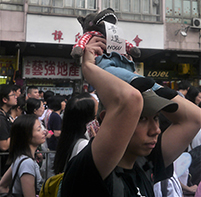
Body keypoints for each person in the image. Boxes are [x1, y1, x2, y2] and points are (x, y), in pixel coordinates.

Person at [60, 36, 201, 197]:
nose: (156, 130)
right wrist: (89, 67)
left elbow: (194, 118)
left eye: (156, 118)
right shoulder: (90, 170)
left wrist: (135, 78)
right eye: (142, 118)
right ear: (105, 118)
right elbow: (131, 100)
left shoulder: (146, 163)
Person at [0, 114, 45, 197]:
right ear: (27, 136)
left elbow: (2, 185)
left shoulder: (20, 158)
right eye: (39, 130)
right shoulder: (27, 163)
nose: (44, 131)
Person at [54, 93, 97, 174]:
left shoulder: (67, 139)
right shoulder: (83, 145)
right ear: (87, 119)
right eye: (94, 116)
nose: (96, 121)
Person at [0, 84, 17, 176]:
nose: (16, 97)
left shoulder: (6, 115)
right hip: (3, 163)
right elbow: (3, 146)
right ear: (4, 100)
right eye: (13, 95)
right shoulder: (1, 118)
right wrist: (18, 132)